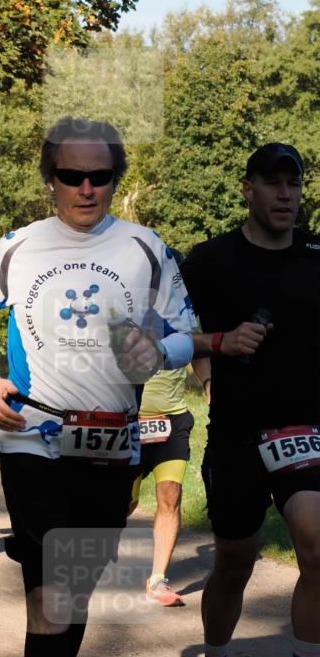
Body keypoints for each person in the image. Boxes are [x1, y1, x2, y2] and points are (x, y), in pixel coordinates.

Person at [0, 117, 196, 657]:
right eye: (71, 175)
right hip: (35, 436)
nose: (86, 188)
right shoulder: (20, 246)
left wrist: (160, 353)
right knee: (57, 581)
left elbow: (183, 332)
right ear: (49, 178)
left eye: (100, 176)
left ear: (115, 178)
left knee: (63, 600)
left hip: (113, 442)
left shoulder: (146, 249)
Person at [180, 143, 320, 657]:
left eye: (295, 183)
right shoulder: (211, 261)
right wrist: (218, 342)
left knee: (318, 545)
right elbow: (159, 335)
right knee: (235, 562)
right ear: (248, 189)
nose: (287, 195)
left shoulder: (318, 257)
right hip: (237, 433)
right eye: (273, 182)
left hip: (301, 430)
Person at [126, 248, 207, 607]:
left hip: (172, 419)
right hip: (127, 423)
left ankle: (157, 579)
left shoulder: (183, 316)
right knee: (119, 505)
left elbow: (198, 349)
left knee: (170, 495)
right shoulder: (125, 312)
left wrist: (208, 386)